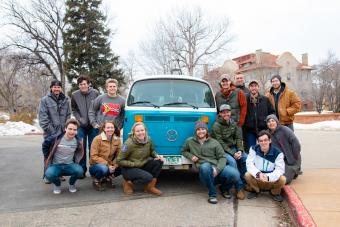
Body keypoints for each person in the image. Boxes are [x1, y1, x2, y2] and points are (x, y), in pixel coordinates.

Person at [182, 121, 245, 204]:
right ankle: (212, 194)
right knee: (205, 167)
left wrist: (217, 169)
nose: (201, 131)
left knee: (235, 174)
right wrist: (191, 156)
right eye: (198, 129)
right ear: (196, 131)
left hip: (217, 168)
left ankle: (224, 189)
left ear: (207, 130)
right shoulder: (190, 141)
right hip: (205, 172)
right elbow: (184, 151)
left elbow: (222, 157)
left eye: (203, 129)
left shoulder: (214, 142)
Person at [117, 122, 164, 196]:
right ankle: (128, 183)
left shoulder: (149, 139)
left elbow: (152, 151)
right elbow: (119, 160)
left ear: (145, 131)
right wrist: (134, 164)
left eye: (142, 130)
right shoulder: (128, 143)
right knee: (148, 177)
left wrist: (157, 156)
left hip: (142, 165)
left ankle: (149, 187)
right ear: (134, 132)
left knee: (159, 162)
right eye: (138, 131)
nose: (140, 133)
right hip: (129, 169)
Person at [39, 79, 71, 183]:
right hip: (50, 133)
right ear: (51, 88)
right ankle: (48, 175)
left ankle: (59, 174)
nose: (56, 89)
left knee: (60, 154)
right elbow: (43, 118)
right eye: (54, 87)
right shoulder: (45, 100)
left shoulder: (66, 99)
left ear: (61, 88)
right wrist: (52, 131)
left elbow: (68, 115)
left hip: (63, 132)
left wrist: (67, 128)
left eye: (58, 87)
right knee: (49, 154)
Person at [211, 104, 247, 189]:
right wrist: (233, 153)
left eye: (227, 112)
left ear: (230, 113)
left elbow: (238, 138)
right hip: (222, 150)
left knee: (245, 158)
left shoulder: (233, 123)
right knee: (232, 162)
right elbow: (220, 143)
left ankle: (244, 182)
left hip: (233, 148)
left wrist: (240, 150)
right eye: (223, 112)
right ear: (220, 114)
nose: (226, 114)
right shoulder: (216, 125)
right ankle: (239, 187)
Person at [43, 119, 84, 194]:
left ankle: (71, 184)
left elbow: (79, 151)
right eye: (70, 129)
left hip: (69, 165)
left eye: (74, 129)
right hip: (56, 165)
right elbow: (45, 144)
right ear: (65, 129)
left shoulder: (78, 141)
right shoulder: (56, 138)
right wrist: (47, 156)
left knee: (80, 171)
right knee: (48, 174)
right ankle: (57, 185)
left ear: (77, 131)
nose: (72, 131)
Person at [245, 130, 286, 202]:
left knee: (282, 179)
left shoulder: (278, 153)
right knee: (247, 175)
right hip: (258, 178)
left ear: (270, 140)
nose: (263, 143)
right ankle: (256, 191)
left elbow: (280, 170)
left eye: (265, 140)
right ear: (258, 142)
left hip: (270, 180)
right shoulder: (253, 149)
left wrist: (268, 177)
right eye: (260, 141)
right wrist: (258, 174)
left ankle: (274, 193)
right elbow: (249, 164)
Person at [71, 76, 99, 177]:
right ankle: (81, 170)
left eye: (84, 84)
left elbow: (99, 107)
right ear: (78, 85)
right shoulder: (74, 95)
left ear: (88, 84)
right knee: (81, 147)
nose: (83, 86)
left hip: (93, 125)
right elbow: (74, 109)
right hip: (81, 126)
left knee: (93, 147)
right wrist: (79, 118)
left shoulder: (95, 93)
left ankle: (93, 169)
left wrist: (95, 121)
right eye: (81, 84)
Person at [266, 114, 302, 184]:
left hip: (291, 159)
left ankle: (295, 169)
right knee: (273, 176)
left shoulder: (285, 130)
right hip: (279, 160)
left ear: (276, 122)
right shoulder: (267, 134)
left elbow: (296, 144)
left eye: (273, 121)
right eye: (269, 122)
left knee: (285, 180)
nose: (271, 123)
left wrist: (294, 157)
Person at [89, 120, 121, 191]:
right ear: (104, 129)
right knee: (104, 168)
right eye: (108, 127)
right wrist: (107, 165)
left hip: (110, 164)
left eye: (112, 127)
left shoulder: (117, 140)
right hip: (96, 165)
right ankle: (96, 180)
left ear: (114, 129)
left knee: (124, 164)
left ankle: (107, 179)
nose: (110, 129)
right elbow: (93, 156)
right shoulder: (97, 139)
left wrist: (114, 165)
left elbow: (119, 155)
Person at [244, 80, 275, 150]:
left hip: (263, 129)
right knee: (251, 150)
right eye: (251, 86)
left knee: (265, 149)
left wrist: (267, 122)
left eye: (255, 86)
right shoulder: (245, 99)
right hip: (250, 130)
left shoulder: (265, 99)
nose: (253, 88)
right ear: (249, 88)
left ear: (258, 87)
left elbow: (272, 112)